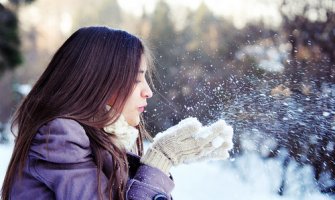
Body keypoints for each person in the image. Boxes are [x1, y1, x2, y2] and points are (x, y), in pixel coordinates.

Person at [1, 26, 233, 200]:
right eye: (135, 79)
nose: (148, 91)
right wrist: (162, 158)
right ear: (98, 82)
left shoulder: (102, 138)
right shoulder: (60, 136)